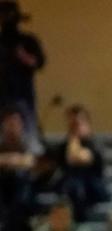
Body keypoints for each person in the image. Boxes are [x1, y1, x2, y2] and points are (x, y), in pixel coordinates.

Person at [0, 1, 44, 150]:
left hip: (23, 98)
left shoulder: (28, 41)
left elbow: (39, 63)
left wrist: (23, 56)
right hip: (2, 96)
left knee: (28, 138)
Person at [54, 104, 108, 220]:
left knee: (79, 188)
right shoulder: (63, 146)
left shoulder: (95, 144)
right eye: (72, 124)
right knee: (73, 187)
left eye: (78, 123)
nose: (75, 127)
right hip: (72, 187)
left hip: (94, 186)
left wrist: (74, 139)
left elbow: (78, 158)